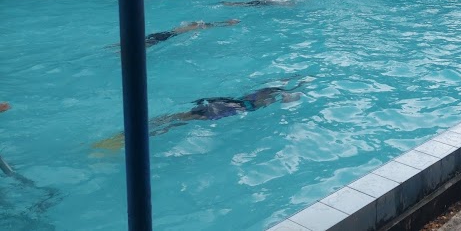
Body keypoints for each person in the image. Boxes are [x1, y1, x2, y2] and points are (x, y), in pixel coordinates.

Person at [92, 78, 309, 150]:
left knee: (176, 117)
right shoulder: (272, 97)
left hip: (222, 102)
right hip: (228, 109)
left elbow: (272, 89)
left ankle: (128, 134)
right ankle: (131, 139)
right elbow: (290, 98)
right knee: (178, 123)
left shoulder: (262, 91)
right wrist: (295, 92)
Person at [143, 19, 240, 47]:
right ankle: (224, 23)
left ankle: (224, 23)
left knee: (196, 27)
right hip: (154, 39)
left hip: (155, 39)